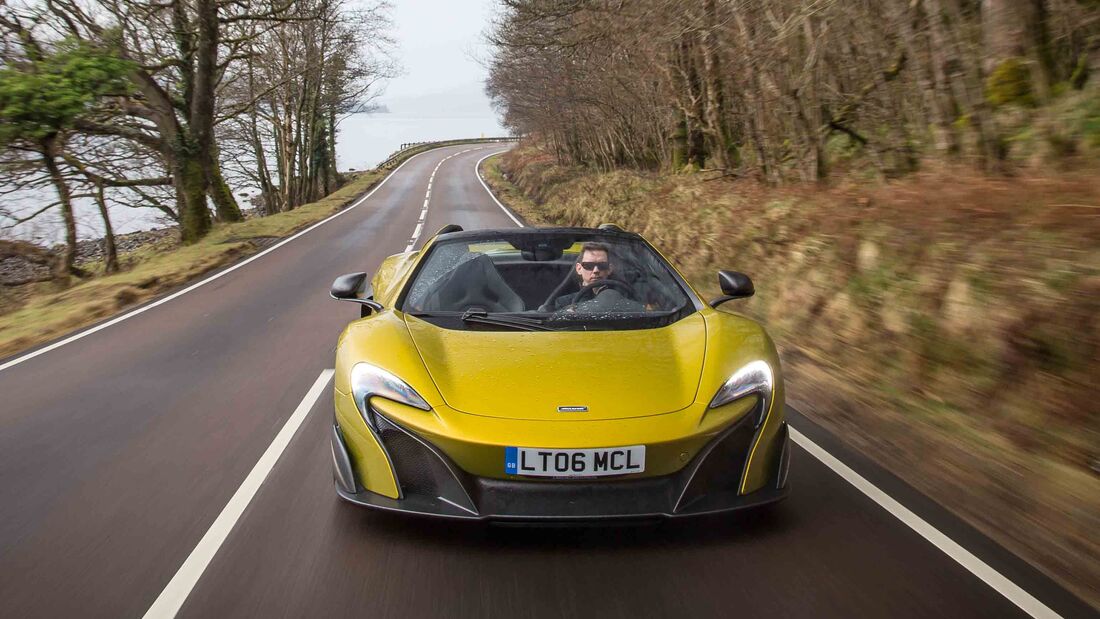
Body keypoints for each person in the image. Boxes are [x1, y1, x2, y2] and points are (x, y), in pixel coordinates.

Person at [541, 242, 617, 311]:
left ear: (610, 269)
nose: (595, 270)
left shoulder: (622, 299)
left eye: (602, 265)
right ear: (579, 269)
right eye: (589, 265)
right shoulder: (564, 303)